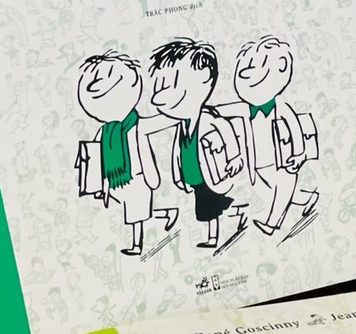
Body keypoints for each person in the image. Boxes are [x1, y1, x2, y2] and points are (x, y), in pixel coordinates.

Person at [74, 51, 178, 255]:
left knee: (136, 214)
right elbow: (94, 153)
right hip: (116, 181)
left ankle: (137, 245)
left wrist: (183, 109)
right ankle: (167, 212)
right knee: (134, 210)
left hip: (138, 176)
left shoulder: (137, 125)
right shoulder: (104, 131)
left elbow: (162, 121)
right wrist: (97, 180)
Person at [217, 35, 319, 238]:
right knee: (268, 190)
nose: (247, 73)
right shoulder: (246, 108)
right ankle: (308, 198)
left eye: (256, 65)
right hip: (258, 163)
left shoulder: (280, 106)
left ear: (281, 68)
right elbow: (223, 110)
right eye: (245, 67)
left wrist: (299, 154)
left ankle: (272, 223)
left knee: (283, 189)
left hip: (283, 159)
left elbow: (295, 128)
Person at [148, 38, 245, 250]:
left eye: (169, 85)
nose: (158, 97)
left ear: (203, 77)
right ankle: (235, 211)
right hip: (194, 178)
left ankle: (213, 237)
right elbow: (178, 151)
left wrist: (234, 156)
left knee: (208, 208)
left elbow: (225, 128)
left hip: (208, 175)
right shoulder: (182, 124)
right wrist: (178, 175)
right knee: (210, 205)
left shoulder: (207, 118)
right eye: (159, 86)